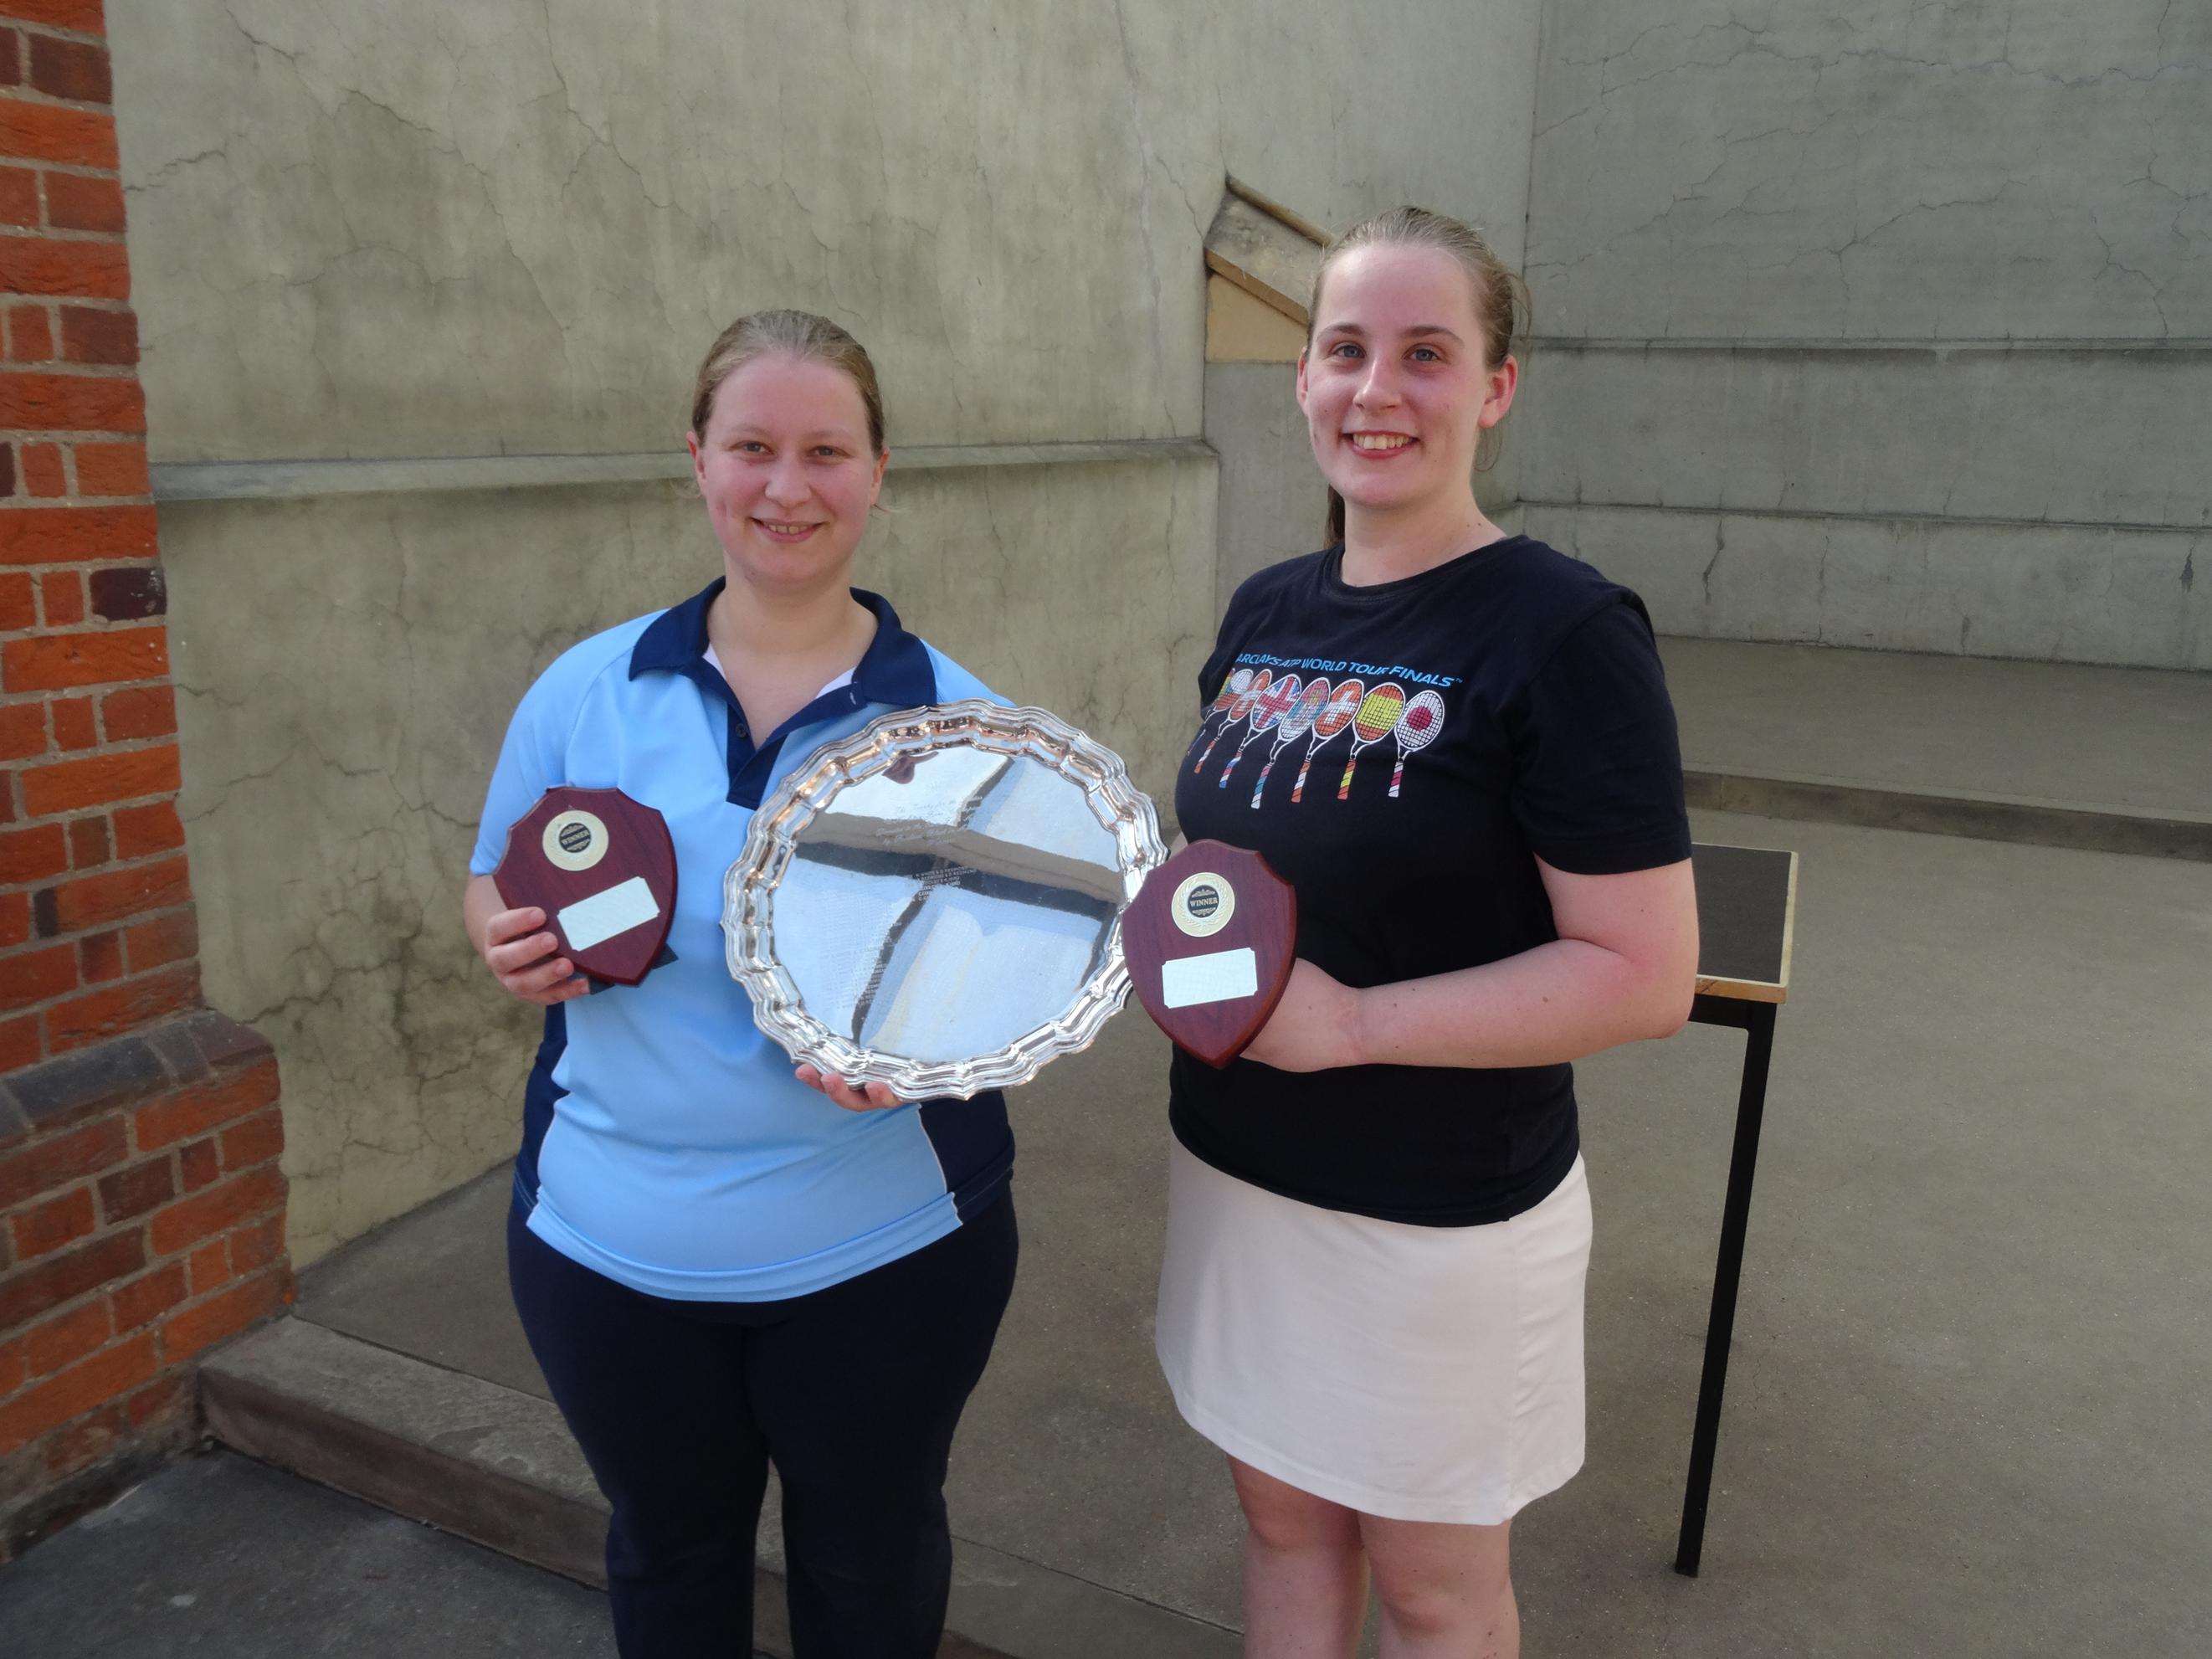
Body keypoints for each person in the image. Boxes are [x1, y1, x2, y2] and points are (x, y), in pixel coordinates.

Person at [1154, 208, 1700, 1659]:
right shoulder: (1268, 605)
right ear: (1304, 376)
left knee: (1436, 1592)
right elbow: (1218, 877)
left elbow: (1645, 973)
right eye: (1346, 349)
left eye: (1426, 354)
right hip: (1236, 1170)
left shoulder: (1563, 630)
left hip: (1437, 1218)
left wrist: (1356, 1026)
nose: (1376, 390)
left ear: (1496, 387)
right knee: (1283, 1532)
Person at [462, 310, 1017, 1659]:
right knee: (668, 1560)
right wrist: (501, 934)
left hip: (883, 1259)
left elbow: (1009, 988)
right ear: (696, 460)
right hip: (609, 1254)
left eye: (826, 450)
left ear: (879, 470)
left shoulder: (965, 729)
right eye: (752, 445)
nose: (787, 486)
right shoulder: (586, 690)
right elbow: (491, 876)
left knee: (871, 1568)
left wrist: (926, 1050)